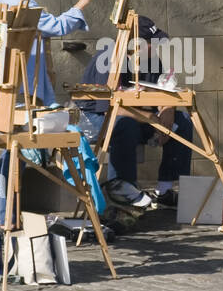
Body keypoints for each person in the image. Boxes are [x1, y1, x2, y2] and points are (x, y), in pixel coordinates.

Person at [75, 15, 192, 209]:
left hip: (141, 115)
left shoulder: (152, 59)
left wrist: (168, 109)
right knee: (124, 125)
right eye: (151, 43)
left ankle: (165, 189)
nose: (156, 47)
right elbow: (109, 109)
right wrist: (150, 118)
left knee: (183, 121)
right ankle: (122, 189)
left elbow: (163, 89)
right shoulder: (108, 60)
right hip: (95, 118)